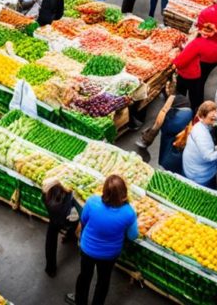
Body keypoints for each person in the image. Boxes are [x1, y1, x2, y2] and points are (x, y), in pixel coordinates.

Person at [65, 175, 138, 305]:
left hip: (88, 249)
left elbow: (84, 220)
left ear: (104, 190)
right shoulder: (129, 213)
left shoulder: (92, 202)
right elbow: (133, 235)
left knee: (84, 277)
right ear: (124, 193)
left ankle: (80, 301)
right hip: (109, 254)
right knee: (103, 281)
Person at [172, 23, 217, 109]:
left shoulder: (196, 43)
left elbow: (181, 61)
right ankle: (197, 109)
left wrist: (175, 64)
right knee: (198, 87)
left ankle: (181, 108)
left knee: (181, 92)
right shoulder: (216, 41)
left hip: (189, 75)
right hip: (211, 61)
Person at [136, 95, 193, 175]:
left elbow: (162, 113)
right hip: (187, 116)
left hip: (177, 122)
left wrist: (152, 133)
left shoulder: (171, 99)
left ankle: (169, 170)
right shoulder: (183, 103)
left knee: (169, 146)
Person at [43, 179, 78, 277]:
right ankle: (69, 236)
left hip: (54, 219)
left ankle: (50, 269)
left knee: (50, 240)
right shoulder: (68, 196)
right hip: (67, 220)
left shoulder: (46, 198)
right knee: (73, 224)